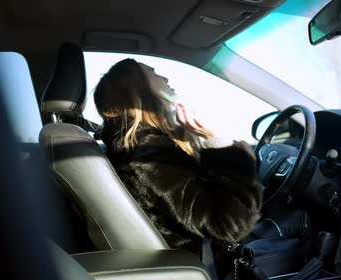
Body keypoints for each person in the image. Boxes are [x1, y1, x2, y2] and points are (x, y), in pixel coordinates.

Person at [93, 58, 264, 255]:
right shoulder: (149, 155)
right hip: (201, 267)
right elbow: (228, 225)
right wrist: (216, 140)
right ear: (138, 91)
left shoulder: (138, 147)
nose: (164, 77)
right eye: (154, 74)